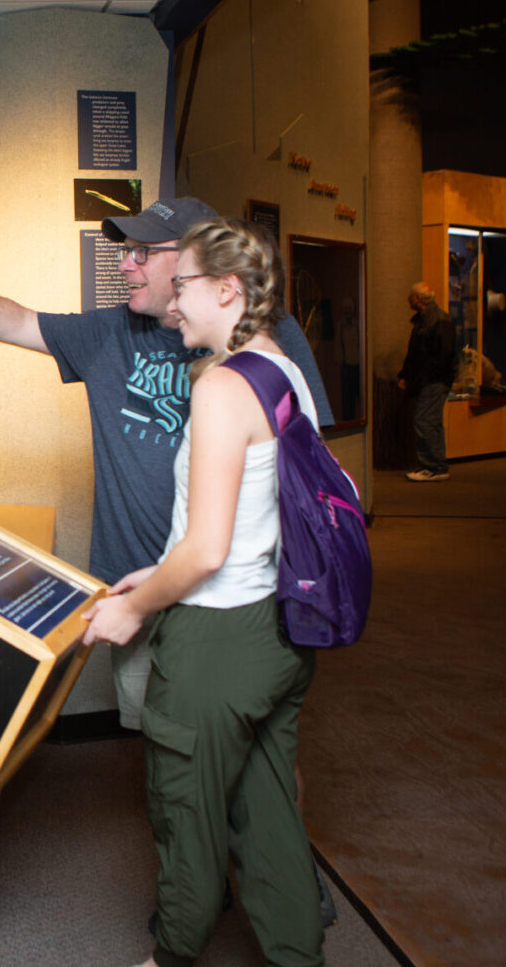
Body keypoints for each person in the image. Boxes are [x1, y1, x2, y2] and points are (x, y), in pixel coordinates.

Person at [0, 197, 331, 729]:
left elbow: (309, 464)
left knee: (256, 753)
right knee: (166, 748)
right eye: (124, 251)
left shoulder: (266, 343)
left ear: (197, 262)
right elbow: (16, 321)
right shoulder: (109, 334)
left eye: (142, 252)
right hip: (135, 581)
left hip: (236, 596)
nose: (124, 265)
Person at [80, 217, 324, 967]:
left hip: (215, 643)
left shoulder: (221, 387)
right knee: (270, 814)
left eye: (180, 287)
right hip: (276, 633)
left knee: (185, 818)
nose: (170, 304)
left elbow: (210, 548)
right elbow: (254, 525)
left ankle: (171, 956)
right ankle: (298, 953)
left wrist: (133, 606)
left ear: (226, 289)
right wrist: (156, 572)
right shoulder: (281, 370)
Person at [397, 281, 456, 482]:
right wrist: (406, 374)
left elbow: (440, 355)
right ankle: (438, 465)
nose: (408, 301)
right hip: (432, 379)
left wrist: (421, 376)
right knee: (432, 422)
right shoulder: (430, 319)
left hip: (434, 380)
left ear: (417, 299)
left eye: (410, 297)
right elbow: (417, 353)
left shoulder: (435, 321)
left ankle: (432, 466)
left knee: (424, 421)